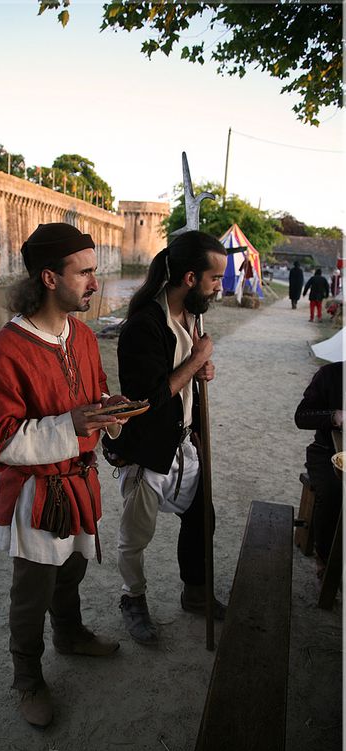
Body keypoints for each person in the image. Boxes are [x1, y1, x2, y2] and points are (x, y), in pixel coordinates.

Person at [0, 222, 128, 728]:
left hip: (79, 483)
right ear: (49, 278)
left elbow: (92, 394)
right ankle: (28, 681)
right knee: (32, 591)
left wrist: (109, 410)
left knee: (73, 571)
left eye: (94, 272)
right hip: (38, 495)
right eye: (84, 273)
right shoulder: (3, 353)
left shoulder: (80, 335)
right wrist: (72, 423)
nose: (95, 283)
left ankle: (71, 634)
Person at [102, 230, 228, 645]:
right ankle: (132, 599)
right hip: (147, 449)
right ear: (190, 278)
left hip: (183, 444)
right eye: (214, 278)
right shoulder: (143, 326)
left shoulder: (189, 318)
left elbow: (186, 379)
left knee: (200, 518)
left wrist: (200, 369)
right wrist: (195, 361)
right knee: (136, 535)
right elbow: (148, 400)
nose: (218, 286)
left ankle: (195, 592)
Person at [294, 362, 343, 579]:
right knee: (334, 493)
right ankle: (326, 557)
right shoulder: (331, 374)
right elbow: (302, 417)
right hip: (325, 452)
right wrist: (334, 416)